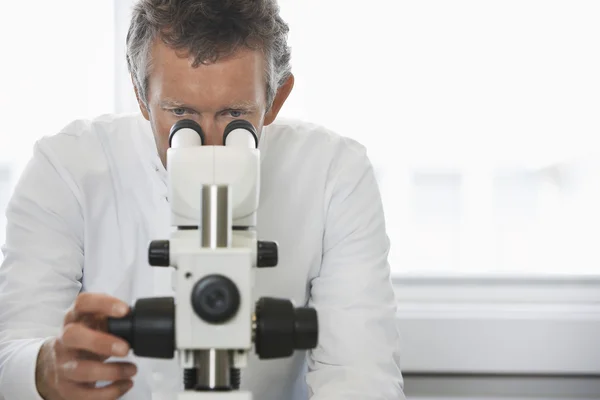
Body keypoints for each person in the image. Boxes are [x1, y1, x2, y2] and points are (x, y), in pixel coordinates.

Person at [0, 0, 404, 399]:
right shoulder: (67, 167)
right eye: (180, 113)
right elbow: (10, 355)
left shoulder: (334, 172)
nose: (208, 145)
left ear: (276, 99)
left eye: (234, 114)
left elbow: (360, 376)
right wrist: (44, 368)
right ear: (141, 97)